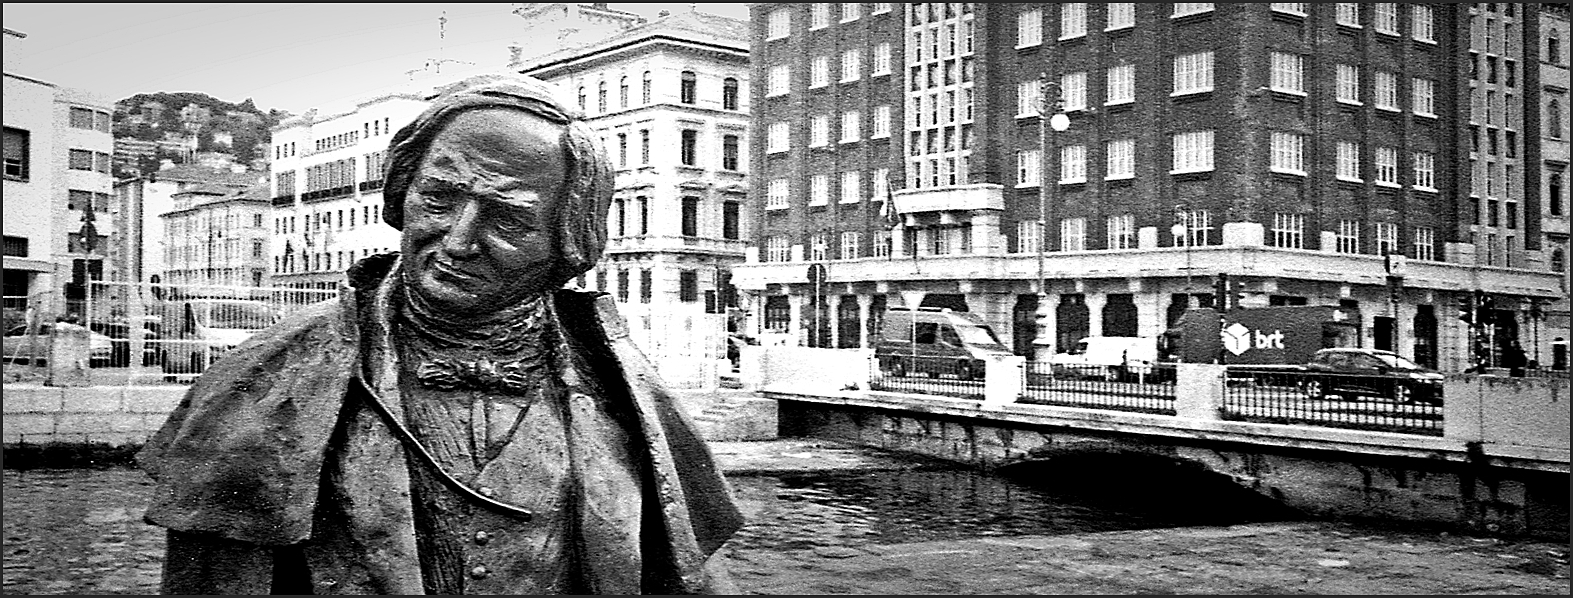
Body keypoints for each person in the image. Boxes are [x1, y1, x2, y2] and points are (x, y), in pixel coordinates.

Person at [137, 73, 742, 595]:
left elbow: (692, 574)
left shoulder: (622, 386)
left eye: (507, 217)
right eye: (440, 198)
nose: (457, 240)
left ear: (566, 237)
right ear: (403, 192)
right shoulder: (267, 379)